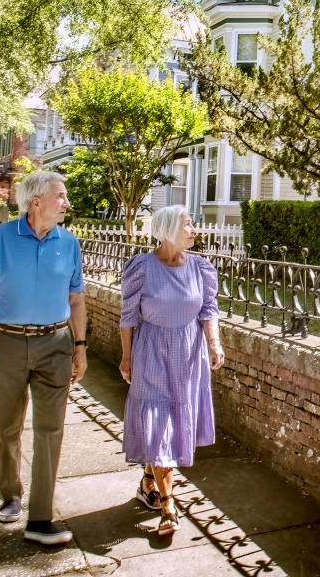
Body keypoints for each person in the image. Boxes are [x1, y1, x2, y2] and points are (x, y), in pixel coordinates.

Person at [0, 170, 86, 546]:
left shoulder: (69, 243)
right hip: (8, 343)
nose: (66, 202)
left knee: (50, 430)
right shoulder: (0, 239)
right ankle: (10, 494)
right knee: (5, 425)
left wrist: (80, 347)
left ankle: (40, 517)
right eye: (61, 196)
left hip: (56, 344)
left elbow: (77, 299)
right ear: (36, 202)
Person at [119, 205, 224, 536]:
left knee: (172, 425)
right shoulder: (142, 267)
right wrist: (126, 357)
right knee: (157, 427)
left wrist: (214, 343)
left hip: (188, 356)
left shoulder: (201, 268)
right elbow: (128, 316)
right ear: (166, 230)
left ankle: (149, 480)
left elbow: (209, 310)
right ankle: (168, 506)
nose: (195, 230)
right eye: (188, 224)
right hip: (151, 353)